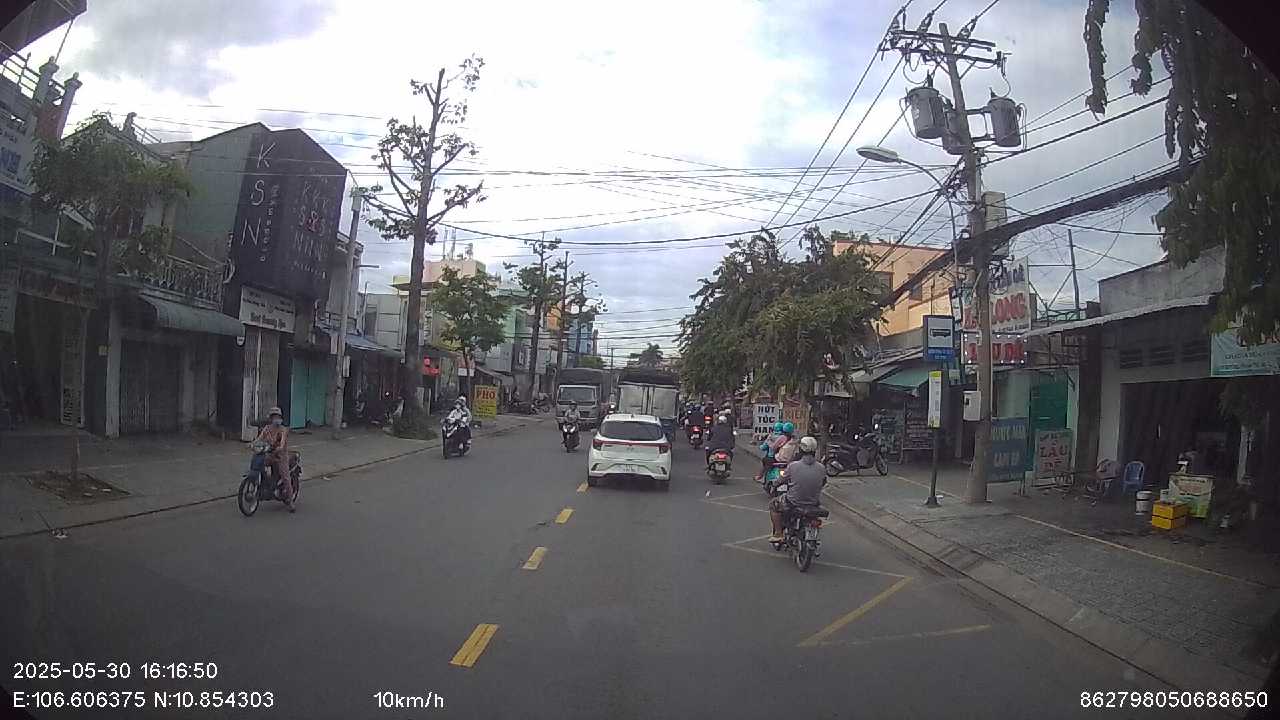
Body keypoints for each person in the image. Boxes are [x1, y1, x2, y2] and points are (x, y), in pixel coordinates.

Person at [769, 436, 824, 542]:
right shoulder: (821, 467)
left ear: (801, 450)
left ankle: (778, 534)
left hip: (793, 502)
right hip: (814, 502)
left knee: (773, 505)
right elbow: (823, 482)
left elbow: (781, 480)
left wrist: (774, 485)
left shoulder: (793, 466)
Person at [255, 406, 295, 512]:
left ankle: (290, 501)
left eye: (278, 417)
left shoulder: (283, 430)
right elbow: (259, 439)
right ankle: (265, 484)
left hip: (281, 456)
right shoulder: (267, 429)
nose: (276, 419)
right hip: (270, 455)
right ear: (271, 418)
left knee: (285, 477)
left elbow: (282, 443)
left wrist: (279, 448)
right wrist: (252, 444)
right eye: (274, 417)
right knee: (259, 463)